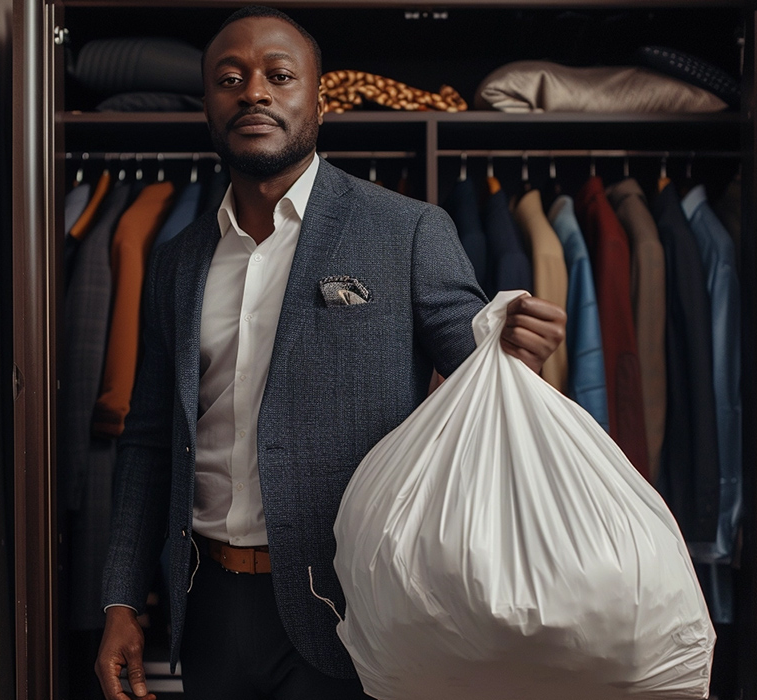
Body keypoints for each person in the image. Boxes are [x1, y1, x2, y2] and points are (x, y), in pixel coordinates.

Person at [95, 6, 567, 700]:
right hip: (209, 605)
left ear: (318, 101)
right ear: (208, 105)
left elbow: (479, 371)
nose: (253, 91)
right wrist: (119, 600)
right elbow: (146, 442)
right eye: (230, 78)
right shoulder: (176, 262)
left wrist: (515, 348)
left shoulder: (405, 231)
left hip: (351, 604)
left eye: (278, 76)